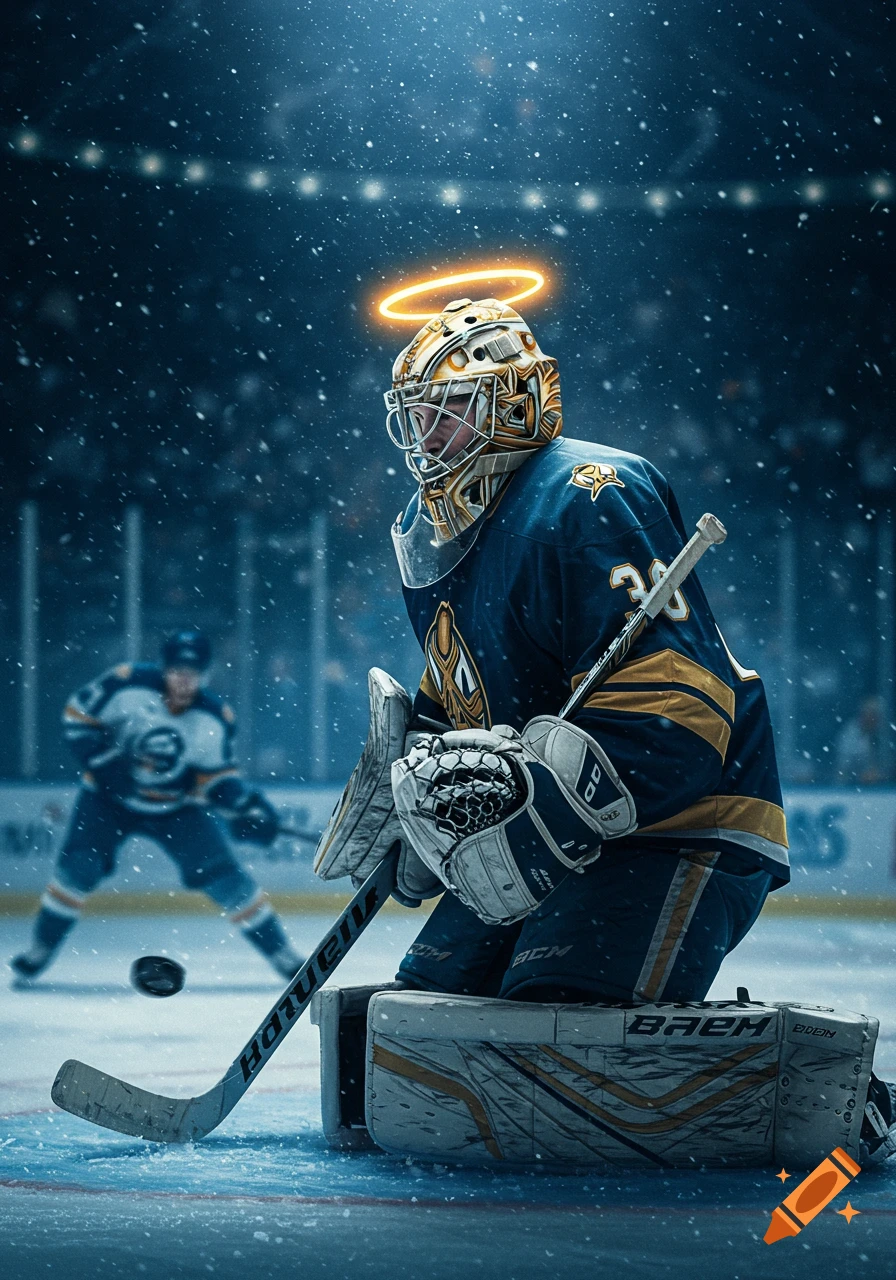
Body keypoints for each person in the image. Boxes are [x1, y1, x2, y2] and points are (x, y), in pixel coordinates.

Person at [316, 296, 896, 1163]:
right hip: (548, 829)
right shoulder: (426, 527)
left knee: (558, 1027)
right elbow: (469, 688)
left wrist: (543, 794)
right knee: (425, 1014)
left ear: (517, 401)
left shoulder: (590, 490)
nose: (428, 435)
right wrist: (424, 782)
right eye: (418, 415)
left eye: (451, 409)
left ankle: (828, 1090)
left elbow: (681, 701)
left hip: (678, 822)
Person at [10, 629, 304, 984]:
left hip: (176, 810)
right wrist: (103, 762)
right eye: (177, 671)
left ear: (205, 675)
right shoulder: (126, 684)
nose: (184, 680)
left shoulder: (214, 717)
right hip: (107, 801)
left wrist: (246, 807)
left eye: (193, 673)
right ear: (164, 668)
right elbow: (77, 716)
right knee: (79, 868)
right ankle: (40, 948)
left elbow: (217, 779)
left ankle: (282, 954)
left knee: (226, 878)